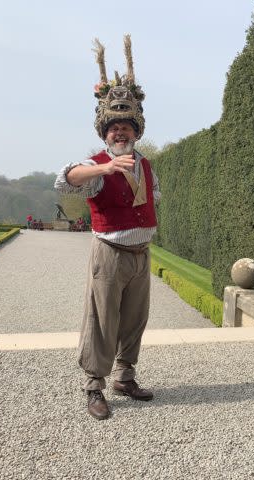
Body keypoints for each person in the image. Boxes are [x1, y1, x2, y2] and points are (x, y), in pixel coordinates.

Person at [55, 36, 160, 420]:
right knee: (101, 321)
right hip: (110, 254)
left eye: (126, 127)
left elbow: (154, 199)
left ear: (136, 131)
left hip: (140, 255)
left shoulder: (146, 165)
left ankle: (125, 377)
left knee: (134, 320)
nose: (120, 132)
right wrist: (104, 168)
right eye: (114, 127)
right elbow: (65, 179)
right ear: (105, 133)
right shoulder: (96, 164)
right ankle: (94, 386)